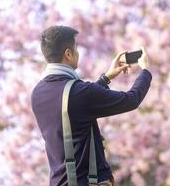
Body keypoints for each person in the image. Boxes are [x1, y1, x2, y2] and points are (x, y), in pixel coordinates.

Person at [31, 25, 152, 186]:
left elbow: (76, 106)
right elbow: (131, 100)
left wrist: (107, 77)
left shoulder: (38, 93)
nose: (78, 53)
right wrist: (145, 71)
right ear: (68, 54)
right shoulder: (78, 92)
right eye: (76, 48)